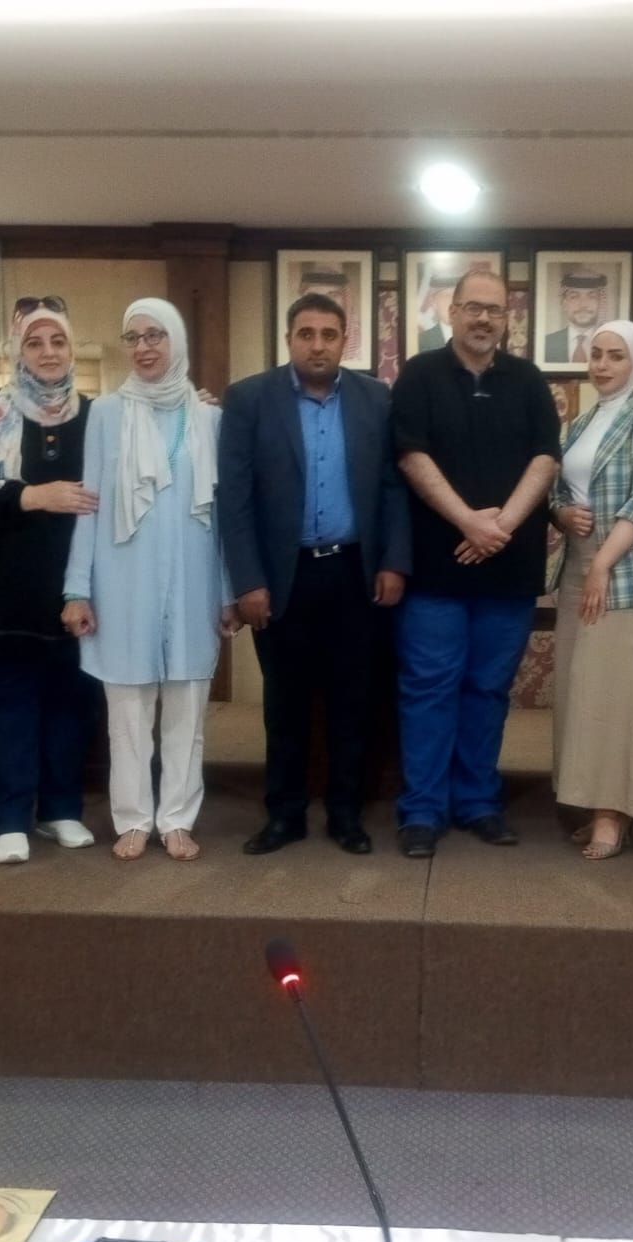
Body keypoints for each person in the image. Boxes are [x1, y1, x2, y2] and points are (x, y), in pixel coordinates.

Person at [218, 291, 411, 855]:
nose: (318, 345)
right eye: (307, 334)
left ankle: (346, 814)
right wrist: (248, 580)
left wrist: (394, 561)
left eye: (329, 334)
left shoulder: (376, 399)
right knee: (286, 704)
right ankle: (285, 814)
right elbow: (235, 499)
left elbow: (393, 488)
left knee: (354, 700)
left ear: (344, 340)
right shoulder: (249, 399)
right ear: (289, 339)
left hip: (355, 573)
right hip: (284, 578)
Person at [390, 268, 561, 857]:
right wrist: (467, 520)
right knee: (429, 691)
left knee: (488, 691)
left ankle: (479, 803)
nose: (483, 318)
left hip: (508, 573)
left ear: (507, 318)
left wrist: (500, 527)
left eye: (494, 309)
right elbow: (410, 455)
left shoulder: (529, 380)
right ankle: (422, 811)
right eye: (473, 307)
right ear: (453, 311)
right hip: (436, 572)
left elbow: (546, 459)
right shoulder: (420, 374)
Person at [62, 297, 237, 862]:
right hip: (123, 581)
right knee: (128, 711)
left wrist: (228, 592)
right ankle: (134, 819)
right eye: (133, 337)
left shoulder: (210, 419)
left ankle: (178, 819)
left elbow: (224, 516)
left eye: (155, 335)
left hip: (192, 582)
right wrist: (77, 588)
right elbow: (89, 504)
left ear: (176, 341)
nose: (143, 347)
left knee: (187, 708)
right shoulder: (107, 414)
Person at [0, 298, 99, 865]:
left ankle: (60, 809)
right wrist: (30, 496)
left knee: (71, 701)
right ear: (17, 352)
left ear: (71, 348)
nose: (48, 353)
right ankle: (10, 818)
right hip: (4, 589)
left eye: (57, 342)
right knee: (10, 704)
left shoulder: (98, 415)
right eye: (35, 343)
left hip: (80, 584)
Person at [549, 321, 633, 859]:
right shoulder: (580, 422)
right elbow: (557, 489)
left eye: (615, 356)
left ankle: (613, 814)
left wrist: (602, 562)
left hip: (621, 564)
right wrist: (561, 512)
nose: (601, 365)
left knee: (615, 694)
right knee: (581, 690)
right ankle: (589, 801)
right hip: (578, 561)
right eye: (596, 354)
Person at [544, 268, 607, 363]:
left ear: (600, 303)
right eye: (574, 297)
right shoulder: (547, 343)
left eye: (592, 297)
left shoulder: (610, 342)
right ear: (564, 304)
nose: (583, 305)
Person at [417, 273, 459, 352]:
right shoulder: (421, 342)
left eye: (456, 296)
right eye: (446, 296)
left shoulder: (477, 338)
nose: (452, 302)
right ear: (434, 302)